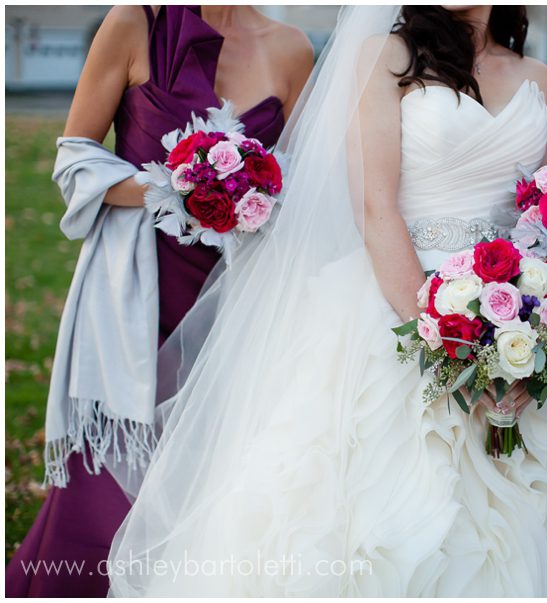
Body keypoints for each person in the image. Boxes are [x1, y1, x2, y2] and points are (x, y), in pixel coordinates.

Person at [107, 6, 547, 596]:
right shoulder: (388, 58)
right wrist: (447, 347)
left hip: (512, 320)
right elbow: (376, 207)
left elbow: (538, 216)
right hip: (402, 309)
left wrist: (537, 336)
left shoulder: (537, 77)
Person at [5, 6, 312, 597]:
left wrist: (258, 191)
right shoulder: (135, 23)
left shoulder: (294, 48)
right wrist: (180, 184)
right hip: (131, 299)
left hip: (237, 307)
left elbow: (303, 185)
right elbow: (74, 162)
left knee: (207, 497)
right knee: (100, 500)